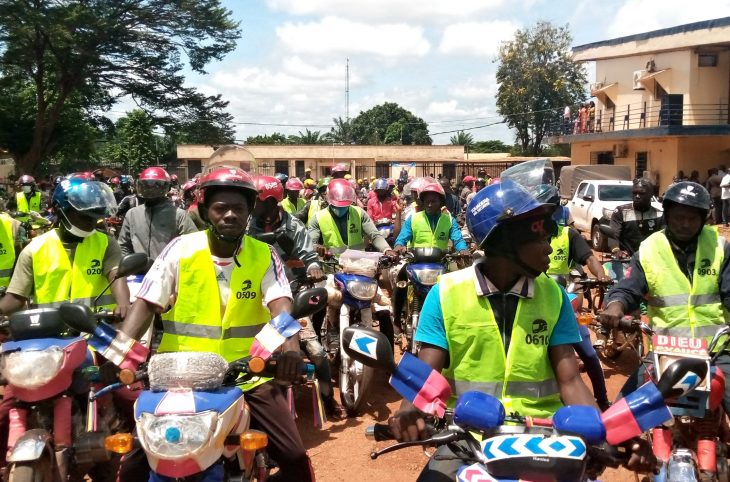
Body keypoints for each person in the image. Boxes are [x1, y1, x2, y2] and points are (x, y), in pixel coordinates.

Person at [390, 180, 615, 479]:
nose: (550, 247)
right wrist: (408, 409)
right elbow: (426, 373)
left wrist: (601, 432)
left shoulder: (554, 296)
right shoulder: (445, 293)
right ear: (506, 241)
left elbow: (571, 380)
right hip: (468, 438)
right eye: (540, 239)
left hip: (545, 439)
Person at [121, 168, 315, 482]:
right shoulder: (180, 250)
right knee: (135, 462)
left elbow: (280, 302)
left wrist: (291, 347)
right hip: (179, 378)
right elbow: (145, 303)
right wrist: (118, 352)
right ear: (206, 211)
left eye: (238, 208)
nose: (229, 215)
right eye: (220, 208)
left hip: (247, 375)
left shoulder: (263, 255)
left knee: (293, 456)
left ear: (249, 211)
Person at [599, 181, 730, 412]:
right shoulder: (649, 249)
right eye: (679, 217)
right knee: (620, 416)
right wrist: (616, 306)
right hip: (666, 351)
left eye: (692, 218)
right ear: (667, 214)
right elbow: (628, 287)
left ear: (703, 219)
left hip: (716, 351)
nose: (685, 224)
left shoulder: (720, 247)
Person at [248, 175, 345, 420]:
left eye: (255, 200)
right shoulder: (247, 225)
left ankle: (328, 399)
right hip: (251, 300)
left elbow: (307, 254)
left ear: (271, 201)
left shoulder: (293, 226)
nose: (251, 205)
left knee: (317, 353)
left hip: (289, 302)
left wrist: (312, 266)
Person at [537, 186, 611, 410]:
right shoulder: (527, 234)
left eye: (549, 208)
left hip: (562, 297)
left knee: (587, 352)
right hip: (531, 298)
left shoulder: (568, 234)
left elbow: (589, 258)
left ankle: (602, 400)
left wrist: (601, 276)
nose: (545, 214)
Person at [118, 166, 197, 263]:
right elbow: (123, 245)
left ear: (166, 187)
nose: (150, 189)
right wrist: (130, 266)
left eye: (156, 186)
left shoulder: (179, 215)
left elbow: (193, 246)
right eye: (146, 185)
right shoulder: (132, 214)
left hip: (169, 273)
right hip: (139, 273)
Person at [307, 179, 397, 257]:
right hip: (332, 266)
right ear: (329, 200)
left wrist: (386, 249)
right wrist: (316, 247)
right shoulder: (318, 218)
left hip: (358, 265)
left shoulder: (359, 213)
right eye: (337, 206)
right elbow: (310, 242)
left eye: (344, 206)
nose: (340, 208)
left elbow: (374, 235)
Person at [608, 178, 664, 257]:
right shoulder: (621, 212)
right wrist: (616, 250)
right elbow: (613, 234)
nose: (637, 196)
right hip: (626, 259)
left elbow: (664, 240)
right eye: (634, 193)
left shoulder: (660, 215)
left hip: (651, 259)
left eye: (642, 193)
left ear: (651, 194)